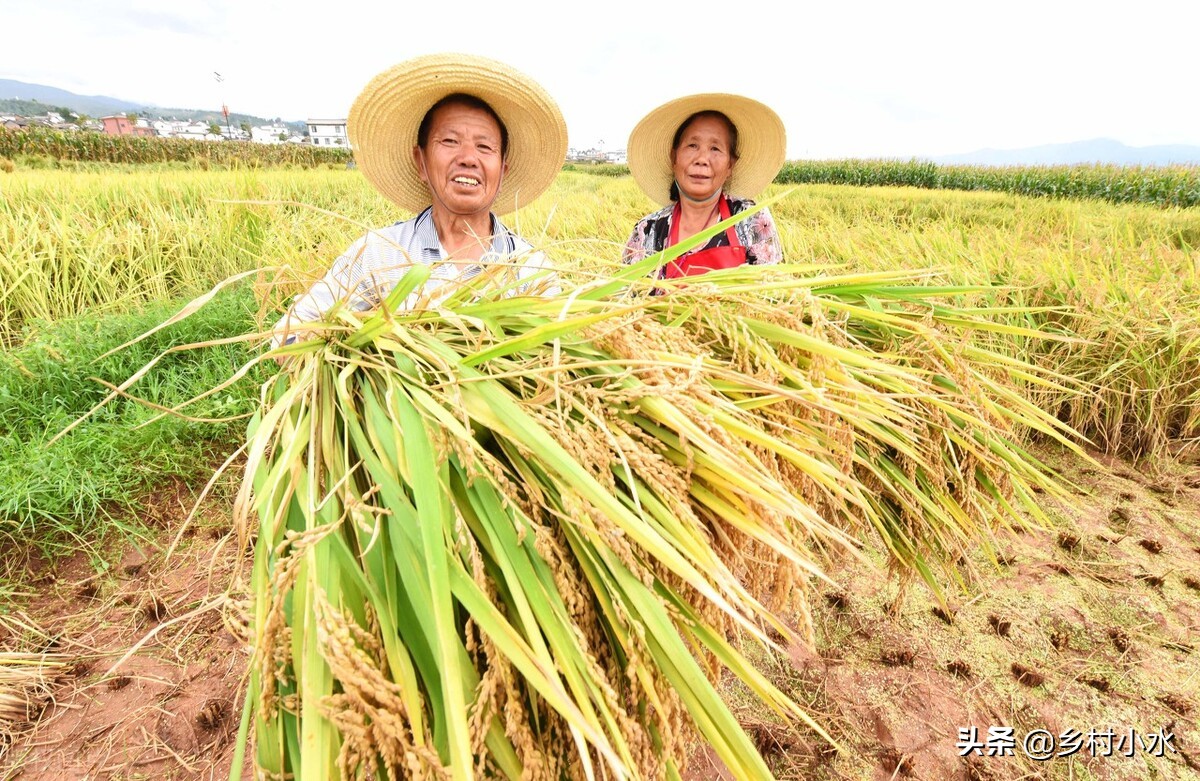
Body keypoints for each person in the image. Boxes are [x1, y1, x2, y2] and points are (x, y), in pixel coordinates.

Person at [272, 53, 567, 346]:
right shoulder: (379, 254)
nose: (467, 158)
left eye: (484, 146)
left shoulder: (531, 269)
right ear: (421, 162)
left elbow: (565, 351)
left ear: (502, 171)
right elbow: (285, 336)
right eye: (449, 141)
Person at [622, 94, 787, 279]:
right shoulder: (647, 230)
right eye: (692, 145)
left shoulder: (751, 220)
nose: (702, 159)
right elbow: (630, 300)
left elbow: (769, 297)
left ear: (730, 165)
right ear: (673, 157)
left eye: (715, 149)